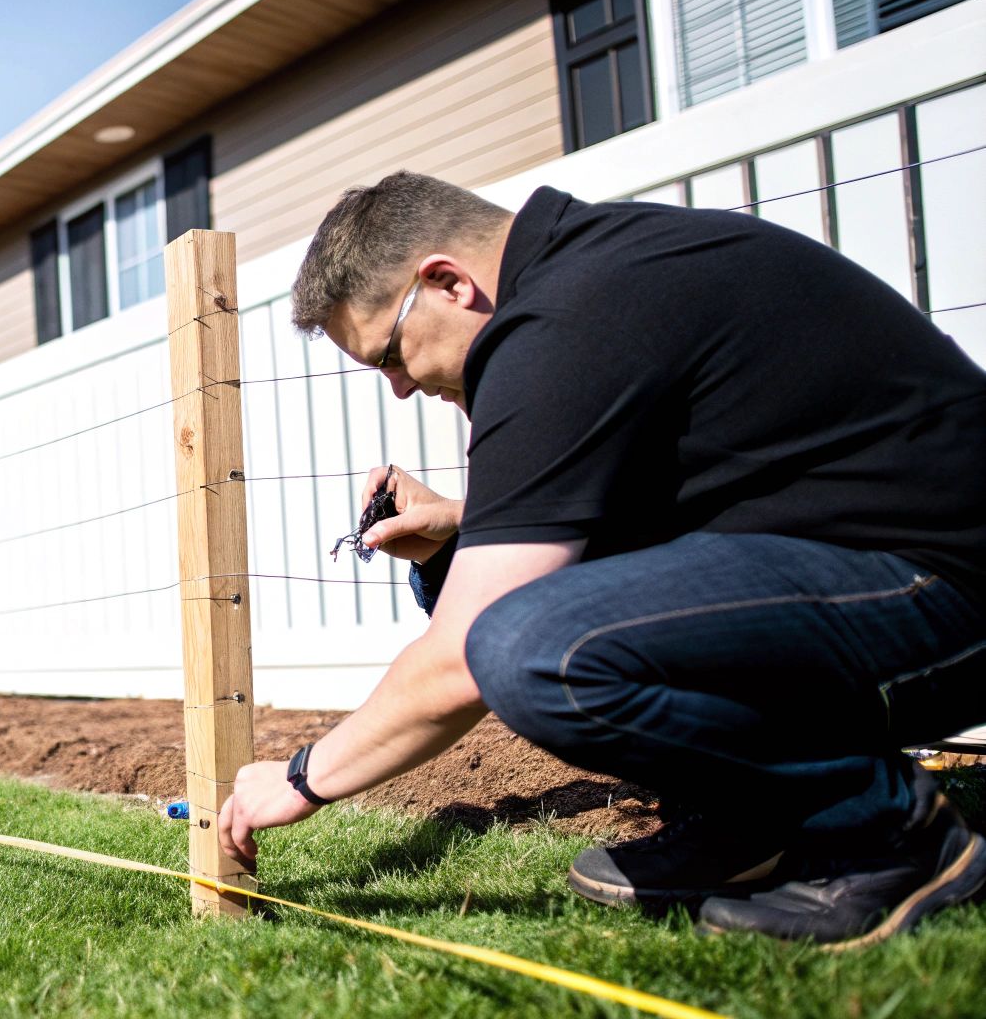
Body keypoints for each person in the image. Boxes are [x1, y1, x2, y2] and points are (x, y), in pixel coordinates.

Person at [216, 171, 986, 948]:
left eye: (390, 355)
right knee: (490, 591)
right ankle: (756, 826)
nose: (400, 390)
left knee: (530, 647)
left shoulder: (567, 320)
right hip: (882, 567)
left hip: (950, 584)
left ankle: (888, 836)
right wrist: (460, 528)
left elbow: (461, 662)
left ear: (448, 283)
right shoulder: (591, 278)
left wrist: (299, 778)